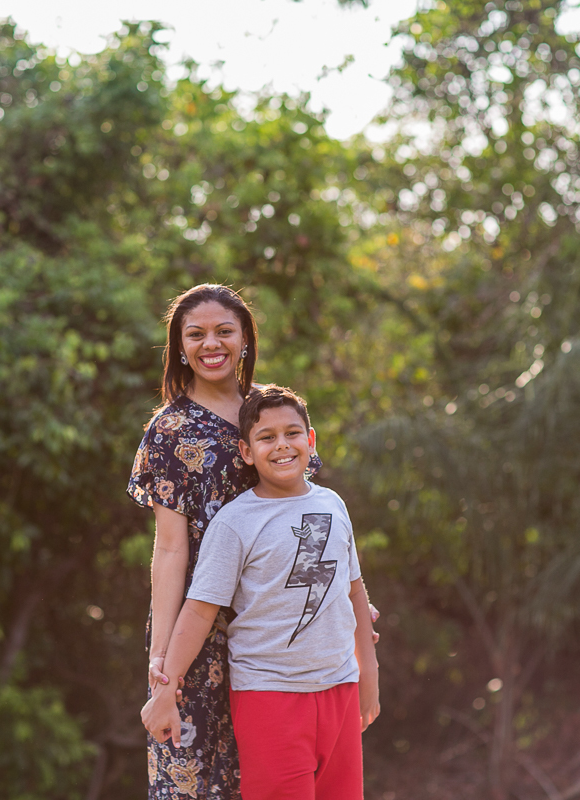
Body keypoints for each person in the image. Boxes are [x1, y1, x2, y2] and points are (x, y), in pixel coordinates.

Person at [128, 285, 324, 800]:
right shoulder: (170, 431)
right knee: (190, 775)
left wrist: (343, 600)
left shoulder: (271, 413)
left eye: (223, 331)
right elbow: (171, 549)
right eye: (196, 334)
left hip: (275, 625)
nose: (210, 344)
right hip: (199, 629)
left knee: (273, 776)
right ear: (180, 346)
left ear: (244, 338)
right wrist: (161, 658)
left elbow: (309, 513)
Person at [141, 385, 380, 800]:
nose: (282, 445)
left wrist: (369, 673)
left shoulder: (333, 504)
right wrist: (165, 690)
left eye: (292, 433)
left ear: (311, 440)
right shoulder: (236, 522)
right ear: (246, 451)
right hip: (271, 696)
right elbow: (198, 612)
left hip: (340, 687)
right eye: (267, 437)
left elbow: (354, 591)